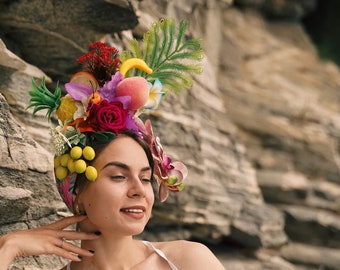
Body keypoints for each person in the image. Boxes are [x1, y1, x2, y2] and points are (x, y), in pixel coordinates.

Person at [0, 18, 225, 269]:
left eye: (146, 177)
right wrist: (9, 247)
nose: (139, 190)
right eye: (119, 176)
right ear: (76, 193)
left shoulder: (188, 261)